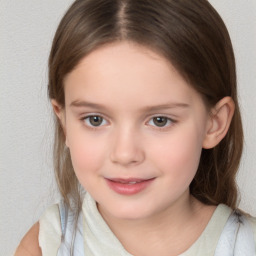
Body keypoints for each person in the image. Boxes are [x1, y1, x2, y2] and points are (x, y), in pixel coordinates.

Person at [14, 0, 256, 255]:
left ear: (214, 124)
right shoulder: (47, 245)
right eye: (95, 119)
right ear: (64, 123)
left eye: (159, 120)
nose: (125, 154)